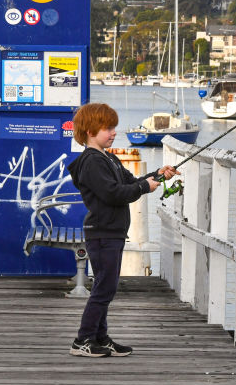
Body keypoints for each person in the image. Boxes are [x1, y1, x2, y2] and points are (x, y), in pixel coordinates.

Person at [67, 102, 178, 357]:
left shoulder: (108, 158)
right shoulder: (92, 162)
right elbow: (113, 194)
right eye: (107, 128)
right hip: (102, 232)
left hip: (112, 232)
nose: (113, 132)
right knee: (105, 288)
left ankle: (100, 338)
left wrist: (158, 175)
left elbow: (131, 182)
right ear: (90, 131)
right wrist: (143, 188)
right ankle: (82, 340)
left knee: (106, 287)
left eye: (113, 128)